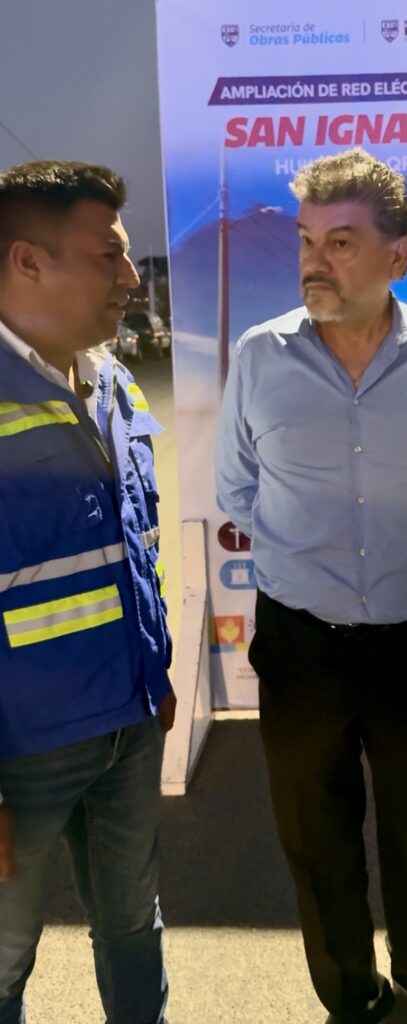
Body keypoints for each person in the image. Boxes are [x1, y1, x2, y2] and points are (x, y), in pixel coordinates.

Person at [215, 148, 407, 1024]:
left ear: (400, 254)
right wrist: (312, 551)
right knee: (314, 833)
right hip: (300, 640)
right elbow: (235, 487)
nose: (314, 261)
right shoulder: (260, 355)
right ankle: (349, 993)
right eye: (306, 240)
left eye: (340, 242)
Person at [0, 160, 175, 1024]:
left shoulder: (112, 382)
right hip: (20, 754)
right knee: (3, 960)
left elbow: (136, 545)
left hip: (128, 728)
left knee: (133, 928)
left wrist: (157, 670)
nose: (131, 277)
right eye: (108, 256)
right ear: (27, 262)